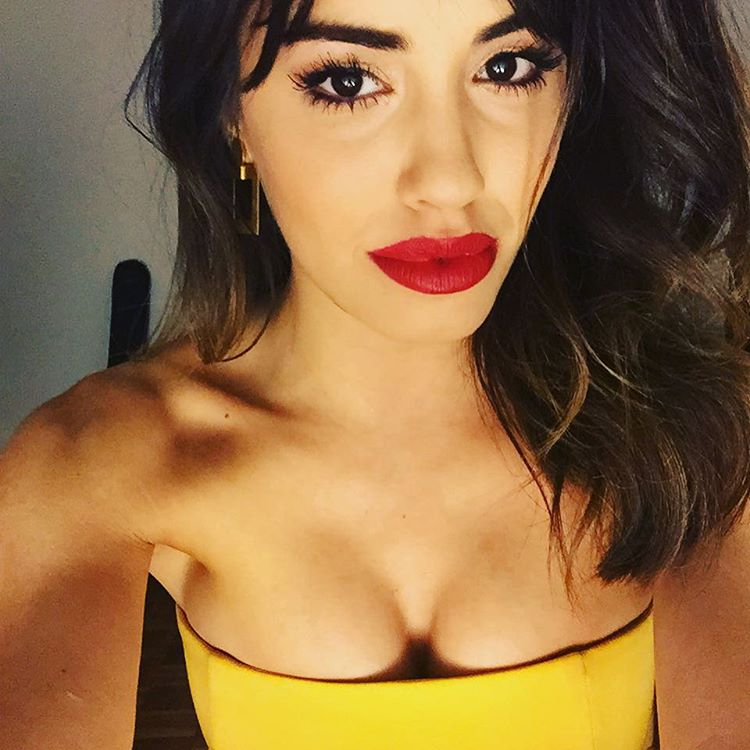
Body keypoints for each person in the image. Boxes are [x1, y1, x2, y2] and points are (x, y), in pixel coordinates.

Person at [2, 0, 749, 748]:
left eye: (506, 67)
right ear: (231, 113)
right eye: (348, 81)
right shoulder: (98, 460)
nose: (450, 181)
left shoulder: (692, 430)